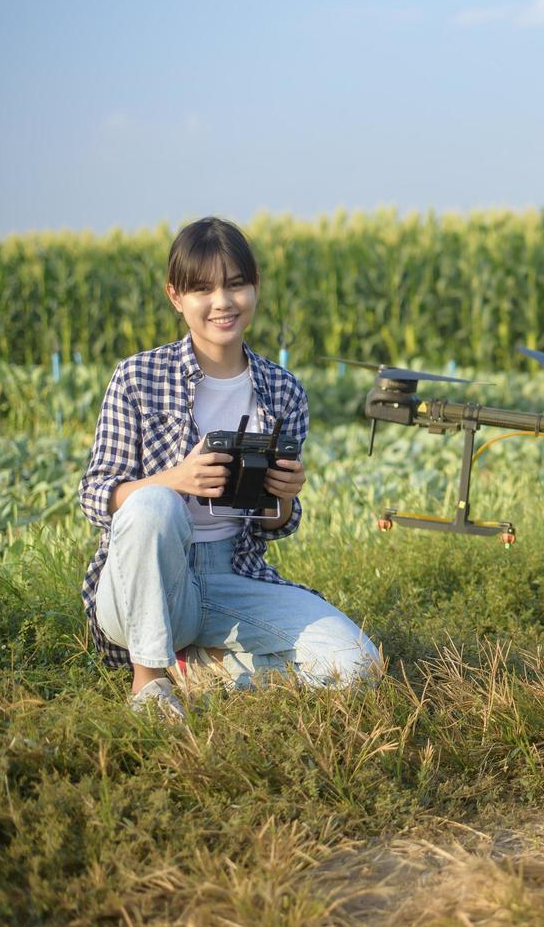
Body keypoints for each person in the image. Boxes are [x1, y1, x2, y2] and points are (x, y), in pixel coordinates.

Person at [78, 217, 380, 718]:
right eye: (202, 288)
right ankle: (149, 683)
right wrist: (173, 481)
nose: (222, 302)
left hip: (230, 574)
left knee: (358, 666)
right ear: (176, 296)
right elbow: (94, 495)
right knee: (153, 502)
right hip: (140, 582)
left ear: (254, 285)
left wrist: (283, 497)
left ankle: (203, 668)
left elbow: (275, 526)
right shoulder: (137, 377)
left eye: (235, 284)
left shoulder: (282, 390)